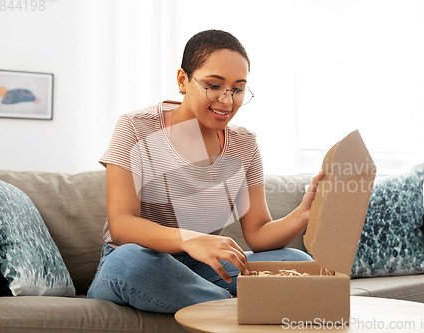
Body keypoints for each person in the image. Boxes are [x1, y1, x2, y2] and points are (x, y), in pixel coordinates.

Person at [87, 29, 323, 313]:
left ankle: (217, 306)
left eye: (237, 89)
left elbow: (258, 233)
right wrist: (192, 240)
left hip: (204, 269)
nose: (227, 100)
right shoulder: (136, 127)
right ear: (182, 80)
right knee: (129, 262)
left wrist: (303, 215)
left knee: (298, 263)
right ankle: (238, 309)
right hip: (140, 263)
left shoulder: (244, 144)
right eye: (214, 85)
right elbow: (122, 225)